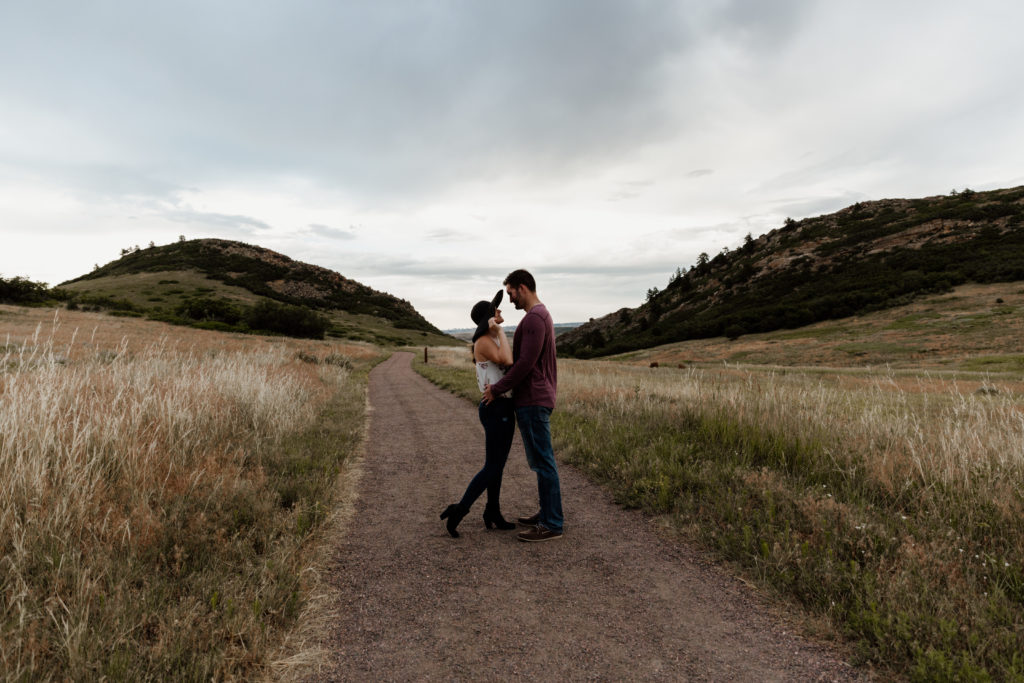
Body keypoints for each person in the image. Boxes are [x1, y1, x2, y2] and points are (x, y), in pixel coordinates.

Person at [483, 269, 563, 542]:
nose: (509, 299)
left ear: (523, 288)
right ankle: (548, 513)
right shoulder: (539, 317)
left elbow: (524, 365)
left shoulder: (534, 319)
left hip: (533, 399)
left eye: (510, 293)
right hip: (535, 398)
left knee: (543, 462)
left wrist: (497, 388)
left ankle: (552, 523)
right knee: (540, 461)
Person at [440, 290, 518, 538]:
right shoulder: (485, 341)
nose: (500, 311)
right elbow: (507, 359)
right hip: (496, 408)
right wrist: (500, 331)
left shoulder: (489, 338)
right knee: (493, 466)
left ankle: (492, 511)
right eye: (496, 310)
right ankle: (460, 509)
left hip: (500, 407)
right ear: (488, 318)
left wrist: (497, 332)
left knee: (496, 465)